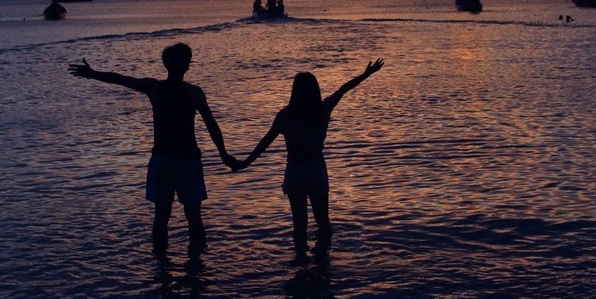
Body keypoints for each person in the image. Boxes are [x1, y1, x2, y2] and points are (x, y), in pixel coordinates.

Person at [69, 43, 240, 254]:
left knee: (161, 216)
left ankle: (162, 269)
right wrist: (223, 154)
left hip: (163, 160)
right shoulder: (194, 93)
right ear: (187, 65)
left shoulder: (155, 88)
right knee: (194, 216)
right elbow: (211, 125)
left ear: (166, 65)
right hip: (187, 161)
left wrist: (93, 74)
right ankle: (196, 267)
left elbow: (121, 79)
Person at [236, 58, 384, 253]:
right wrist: (365, 75)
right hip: (316, 170)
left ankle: (300, 266)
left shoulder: (285, 116)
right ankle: (323, 263)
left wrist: (246, 162)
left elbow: (265, 142)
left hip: (296, 172)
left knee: (299, 227)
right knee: (323, 223)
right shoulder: (323, 109)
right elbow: (343, 89)